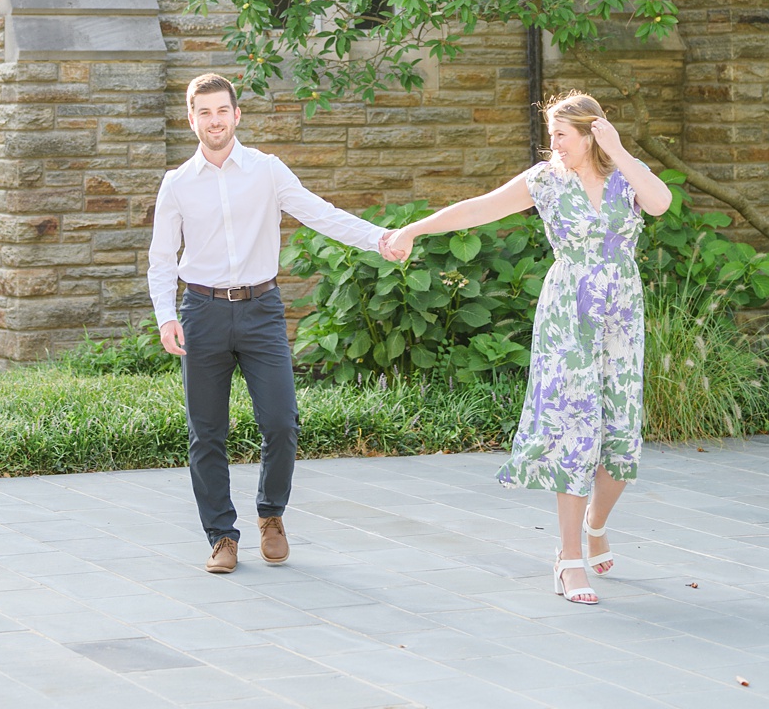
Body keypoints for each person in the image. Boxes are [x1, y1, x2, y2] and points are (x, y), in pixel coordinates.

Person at [385, 92, 669, 606]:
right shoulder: (545, 181)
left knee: (623, 437)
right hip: (568, 315)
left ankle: (596, 524)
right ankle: (568, 557)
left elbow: (662, 202)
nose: (553, 143)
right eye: (552, 133)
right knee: (573, 426)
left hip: (622, 316)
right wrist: (415, 228)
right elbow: (479, 208)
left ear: (591, 134)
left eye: (562, 134)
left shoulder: (627, 175)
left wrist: (620, 150)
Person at [148, 73, 406, 574]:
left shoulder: (266, 171)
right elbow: (161, 260)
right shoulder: (177, 184)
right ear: (191, 119)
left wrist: (380, 238)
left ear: (237, 115)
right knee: (206, 433)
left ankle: (271, 515)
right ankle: (221, 535)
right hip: (200, 312)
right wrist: (164, 317)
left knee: (282, 423)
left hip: (261, 310)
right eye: (204, 112)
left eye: (222, 111)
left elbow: (320, 213)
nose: (214, 121)